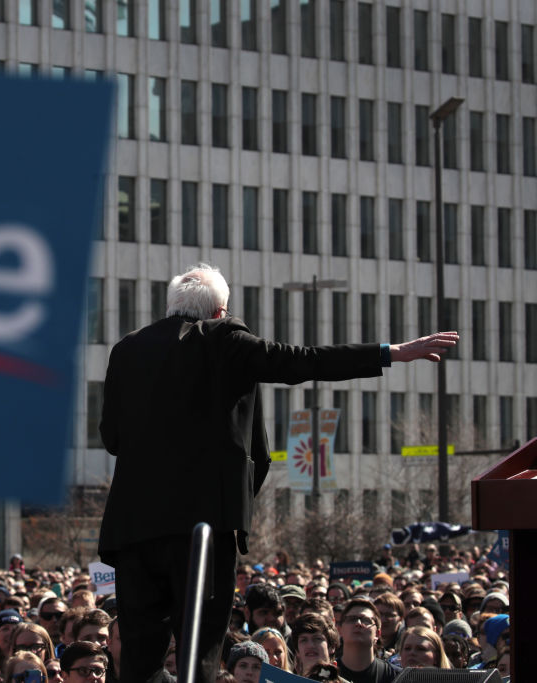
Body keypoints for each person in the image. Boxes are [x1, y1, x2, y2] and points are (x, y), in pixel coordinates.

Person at [98, 263, 458, 683]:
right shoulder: (225, 339)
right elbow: (302, 361)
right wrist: (390, 352)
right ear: (220, 311)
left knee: (139, 661)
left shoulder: (127, 349)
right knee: (198, 653)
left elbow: (111, 437)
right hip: (204, 529)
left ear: (172, 306)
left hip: (133, 530)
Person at [336, 599, 400, 683]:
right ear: (340, 630)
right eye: (351, 619)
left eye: (366, 620)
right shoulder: (325, 674)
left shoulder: (396, 677)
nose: (358, 623)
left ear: (377, 633)